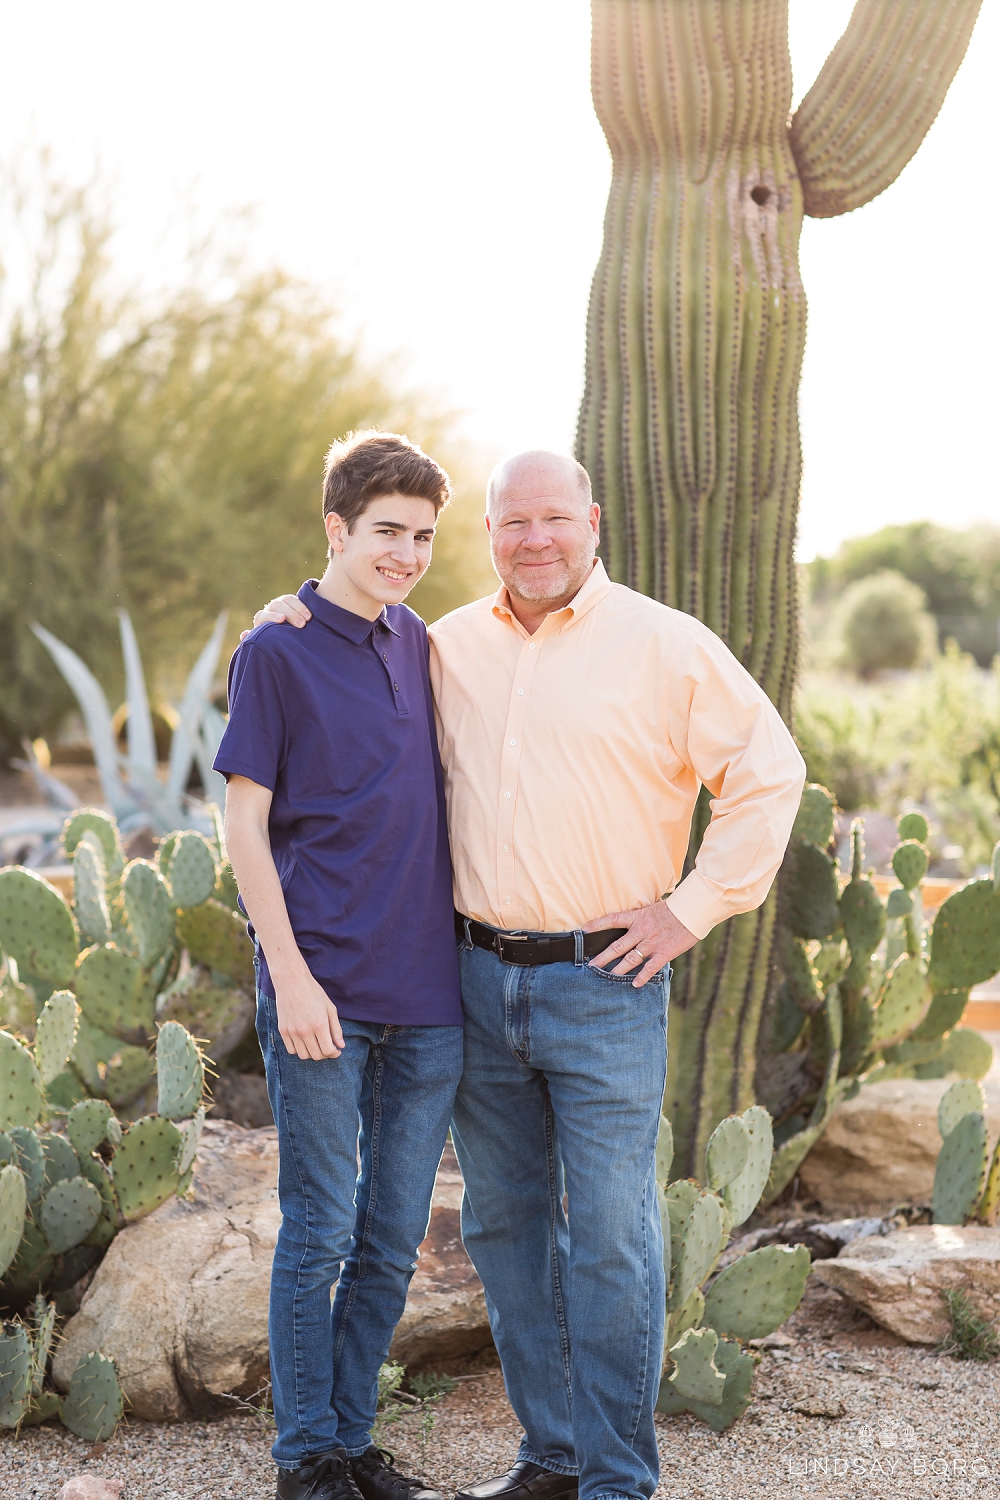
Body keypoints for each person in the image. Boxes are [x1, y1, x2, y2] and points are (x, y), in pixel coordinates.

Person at [252, 449, 806, 1500]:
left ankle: (614, 1479)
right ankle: (550, 1456)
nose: (535, 540)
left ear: (592, 521)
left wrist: (687, 912)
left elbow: (769, 777)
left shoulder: (664, 645)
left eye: (555, 519)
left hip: (605, 986)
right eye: (513, 523)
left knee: (609, 1238)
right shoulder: (441, 644)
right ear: (490, 534)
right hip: (465, 981)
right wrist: (287, 609)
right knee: (504, 1232)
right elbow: (340, 645)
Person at [216, 431, 464, 1500]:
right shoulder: (273, 652)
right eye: (384, 533)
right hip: (322, 992)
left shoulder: (416, 642)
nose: (404, 554)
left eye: (421, 537)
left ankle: (352, 1444)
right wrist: (293, 978)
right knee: (319, 1229)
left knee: (390, 1237)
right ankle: (303, 1458)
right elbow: (243, 826)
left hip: (430, 1001)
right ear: (335, 527)